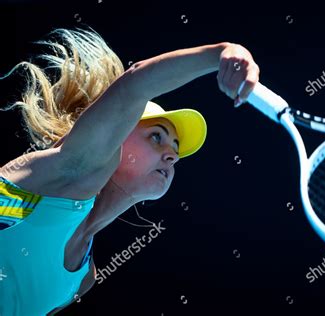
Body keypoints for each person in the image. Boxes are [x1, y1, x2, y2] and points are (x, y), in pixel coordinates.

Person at [0, 27, 259, 315]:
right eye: (156, 137)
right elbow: (133, 86)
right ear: (114, 134)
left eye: (175, 147)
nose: (172, 155)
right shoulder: (66, 172)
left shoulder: (82, 279)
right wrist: (221, 52)